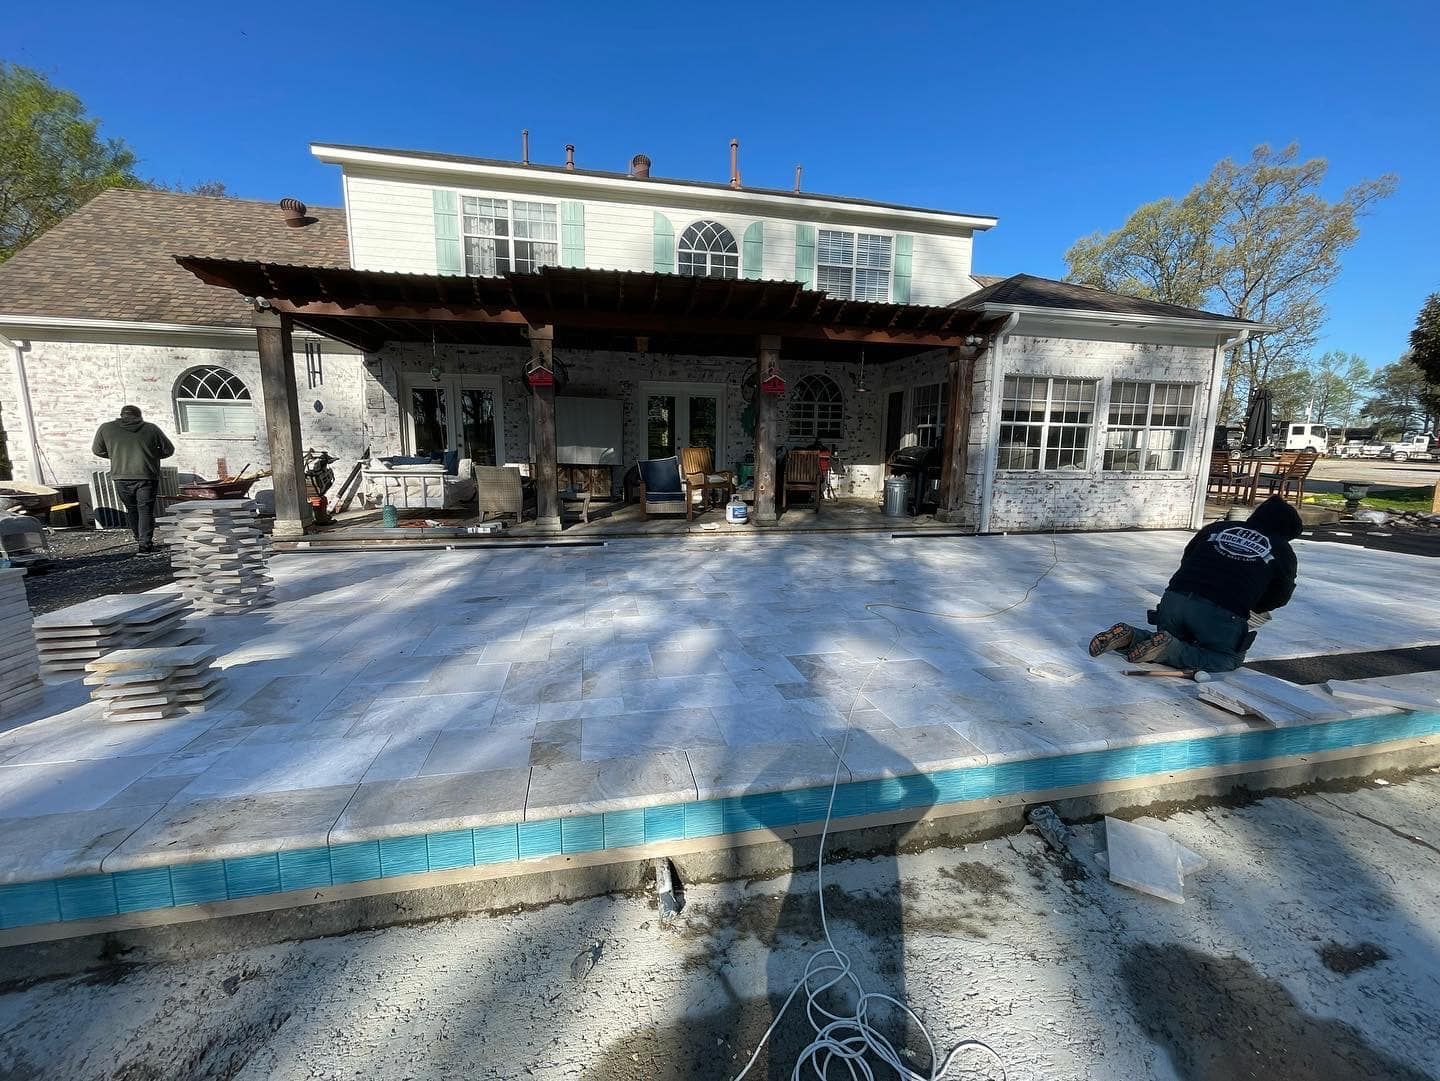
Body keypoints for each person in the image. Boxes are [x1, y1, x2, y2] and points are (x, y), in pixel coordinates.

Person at [1088, 495, 1303, 673]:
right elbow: (1279, 597)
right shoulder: (1282, 549)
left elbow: (1188, 560)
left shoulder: (1216, 529)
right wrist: (1250, 602)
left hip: (1174, 600)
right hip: (1219, 613)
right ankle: (1166, 650)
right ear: (1286, 532)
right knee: (1227, 659)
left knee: (1174, 638)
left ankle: (1130, 637)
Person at [92, 405, 175, 553]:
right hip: (146, 475)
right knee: (145, 510)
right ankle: (145, 545)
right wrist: (151, 456)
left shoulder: (106, 428)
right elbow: (169, 449)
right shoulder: (151, 429)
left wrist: (115, 455)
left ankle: (139, 538)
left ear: (121, 415)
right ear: (139, 416)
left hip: (121, 476)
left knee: (132, 509)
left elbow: (97, 450)